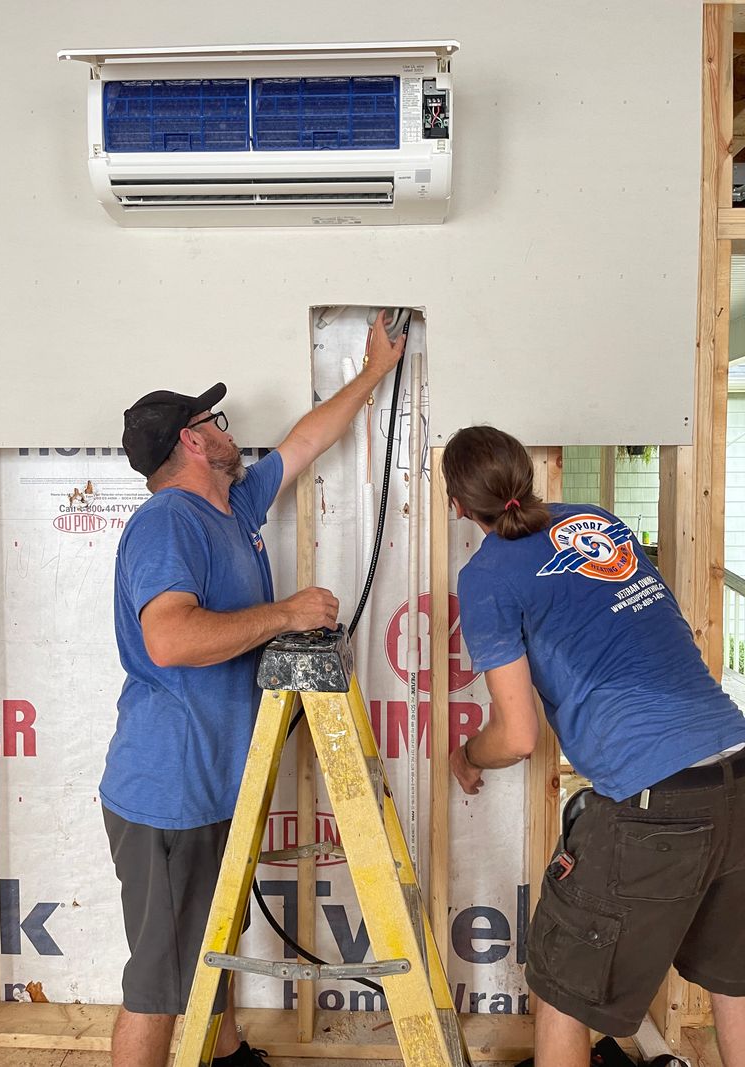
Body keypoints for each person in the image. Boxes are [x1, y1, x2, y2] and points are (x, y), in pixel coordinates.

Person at [100, 313, 406, 1067]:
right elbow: (170, 638)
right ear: (193, 443)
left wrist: (372, 373)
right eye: (215, 421)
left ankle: (227, 1052)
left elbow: (304, 441)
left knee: (212, 944)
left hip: (213, 784)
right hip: (168, 793)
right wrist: (285, 615)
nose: (229, 431)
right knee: (158, 986)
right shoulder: (170, 523)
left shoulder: (230, 505)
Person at [443, 425, 745, 1067]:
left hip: (653, 800)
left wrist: (466, 756)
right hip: (738, 771)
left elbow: (518, 735)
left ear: (458, 507)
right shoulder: (598, 521)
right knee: (734, 979)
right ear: (527, 475)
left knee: (563, 993)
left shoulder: (488, 578)